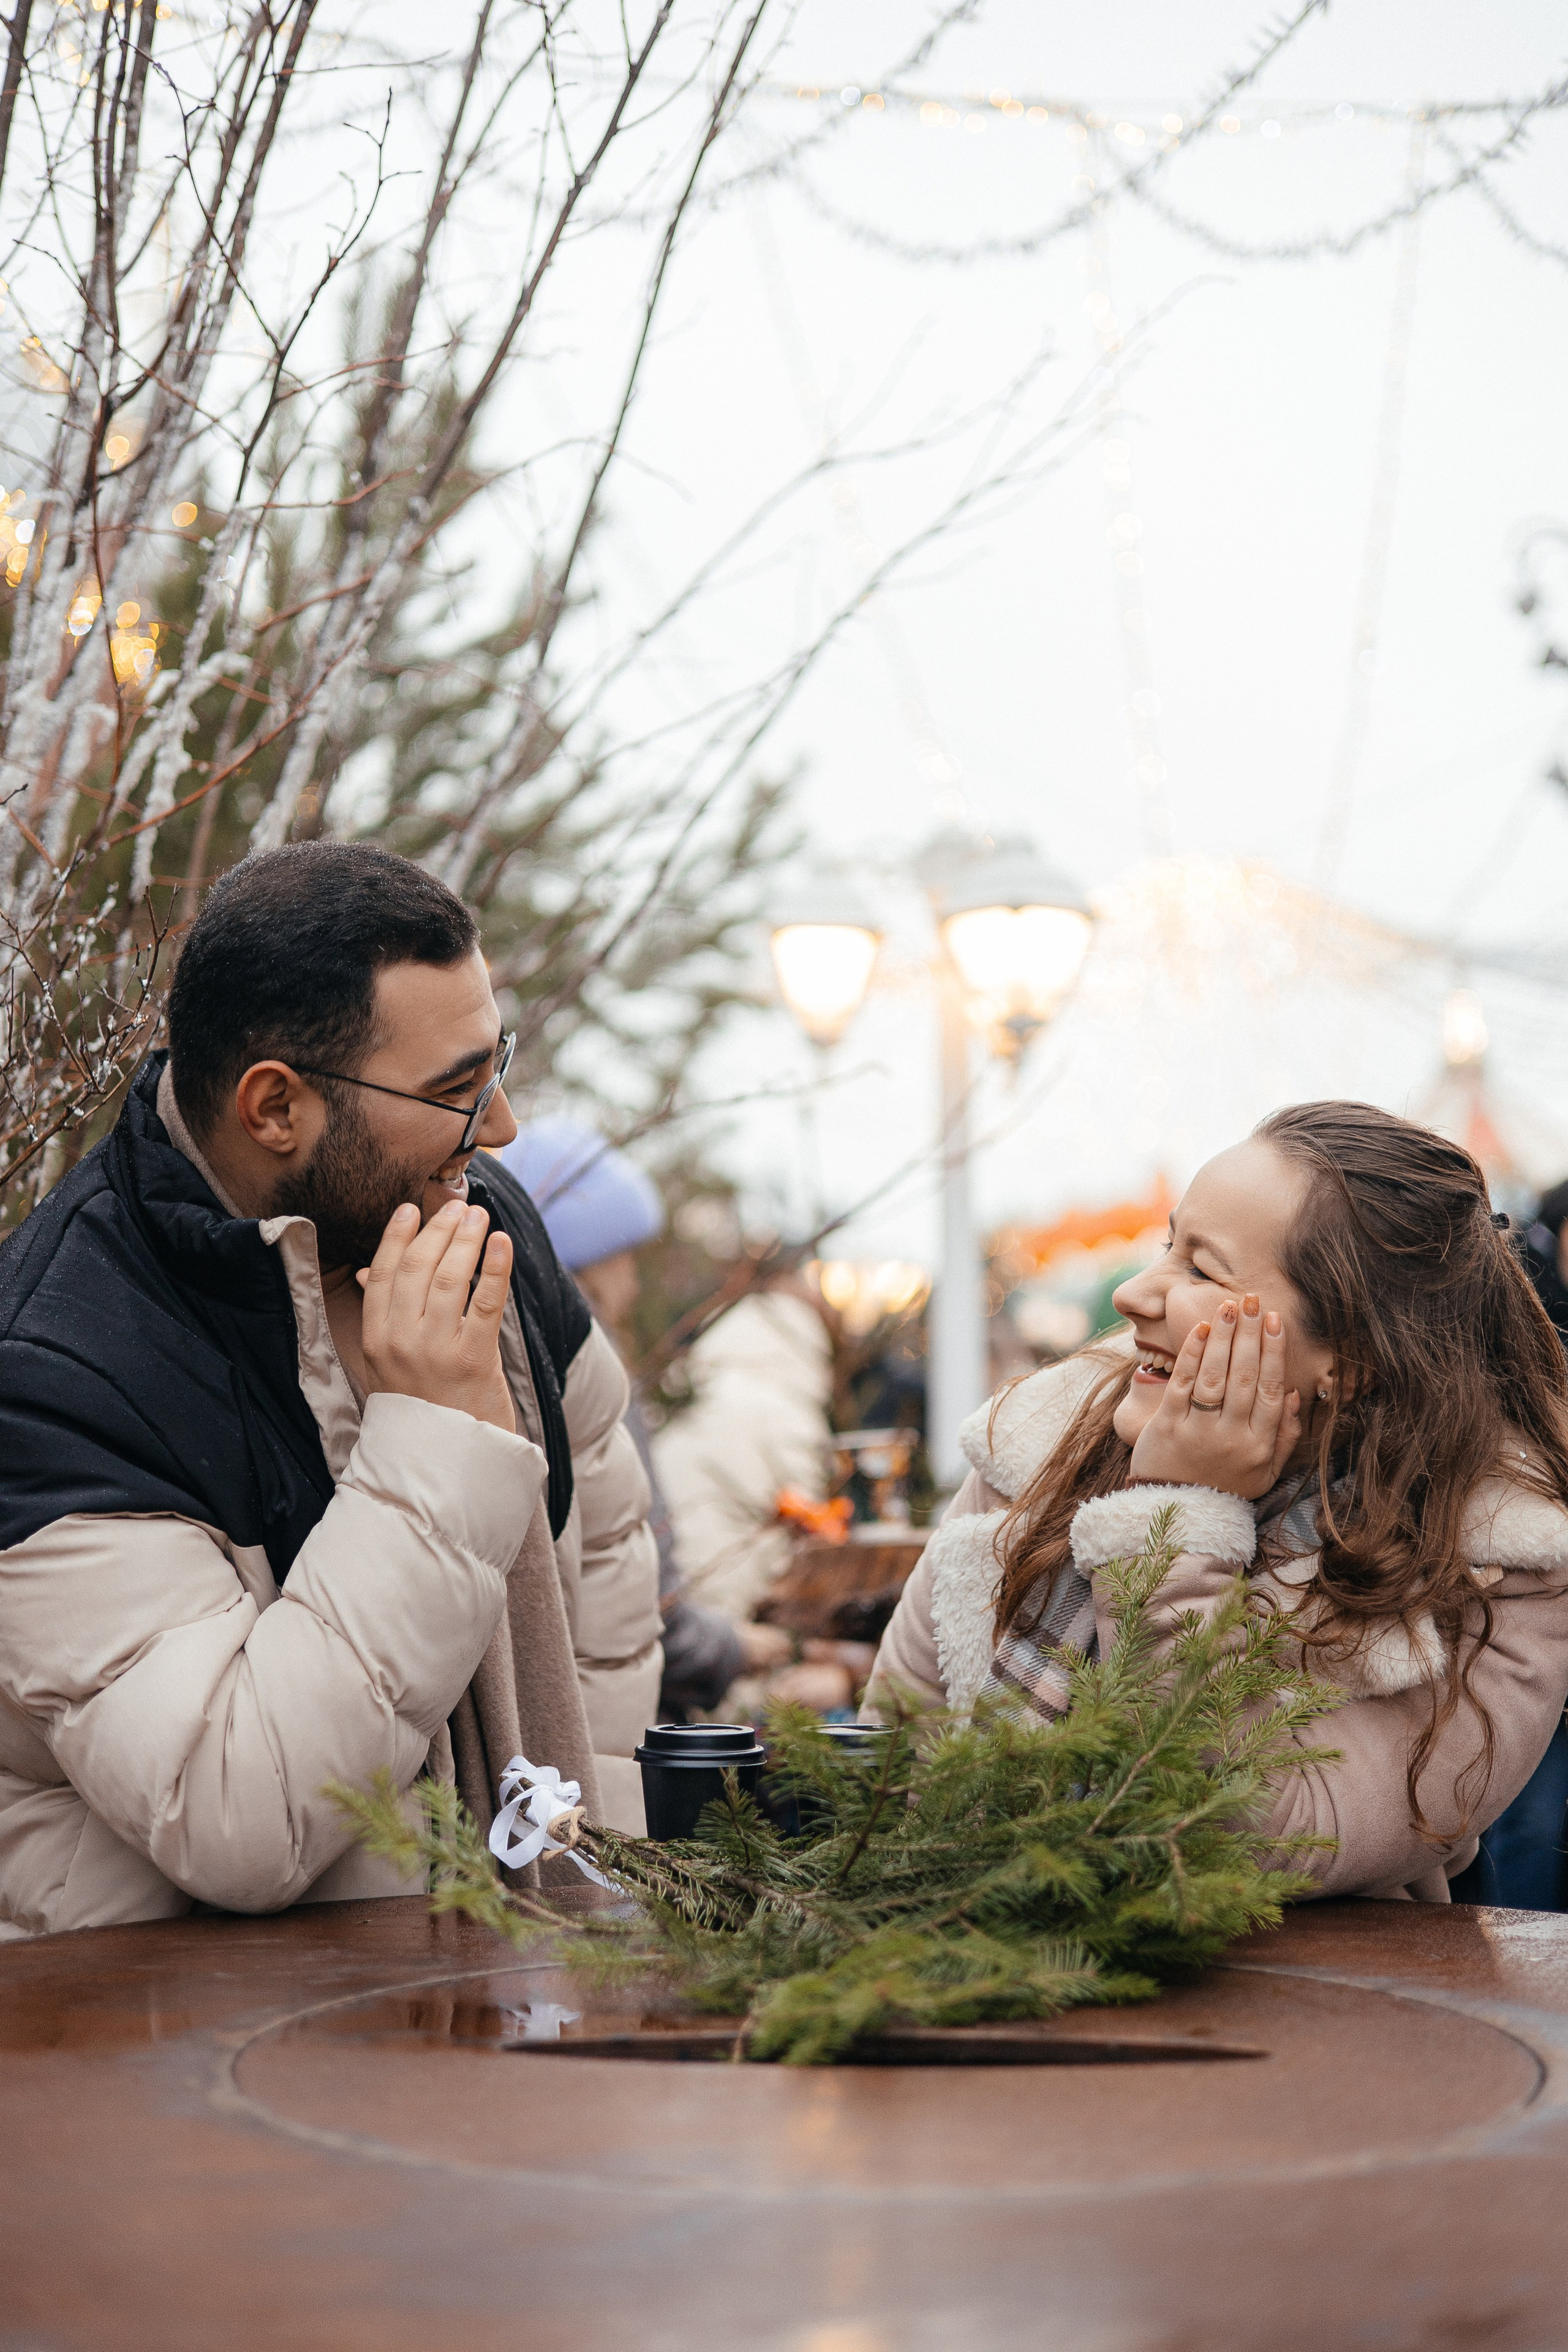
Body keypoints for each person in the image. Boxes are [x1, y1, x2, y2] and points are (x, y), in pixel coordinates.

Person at [0, 842, 660, 1939]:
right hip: (160, 2038)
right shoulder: (54, 1375)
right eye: (456, 1089)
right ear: (273, 1108)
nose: (500, 1130)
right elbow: (233, 1811)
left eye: (496, 1066)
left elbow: (609, 1564)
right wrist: (438, 1437)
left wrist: (579, 1804)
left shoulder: (486, 1222)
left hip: (509, 1993)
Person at [866, 1101, 1568, 1903]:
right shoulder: (1047, 1436)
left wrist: (1176, 1511)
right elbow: (891, 1762)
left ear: (1355, 1359)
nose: (1133, 1294)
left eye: (1202, 1270)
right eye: (1169, 1246)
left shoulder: (1498, 1574)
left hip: (1305, 2017)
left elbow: (1249, 1840)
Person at [500, 1115, 791, 1717]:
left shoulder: (503, 1353)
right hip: (612, 1716)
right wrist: (740, 1646)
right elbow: (646, 1607)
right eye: (623, 1258)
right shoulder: (588, 1366)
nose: (631, 1284)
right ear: (584, 1257)